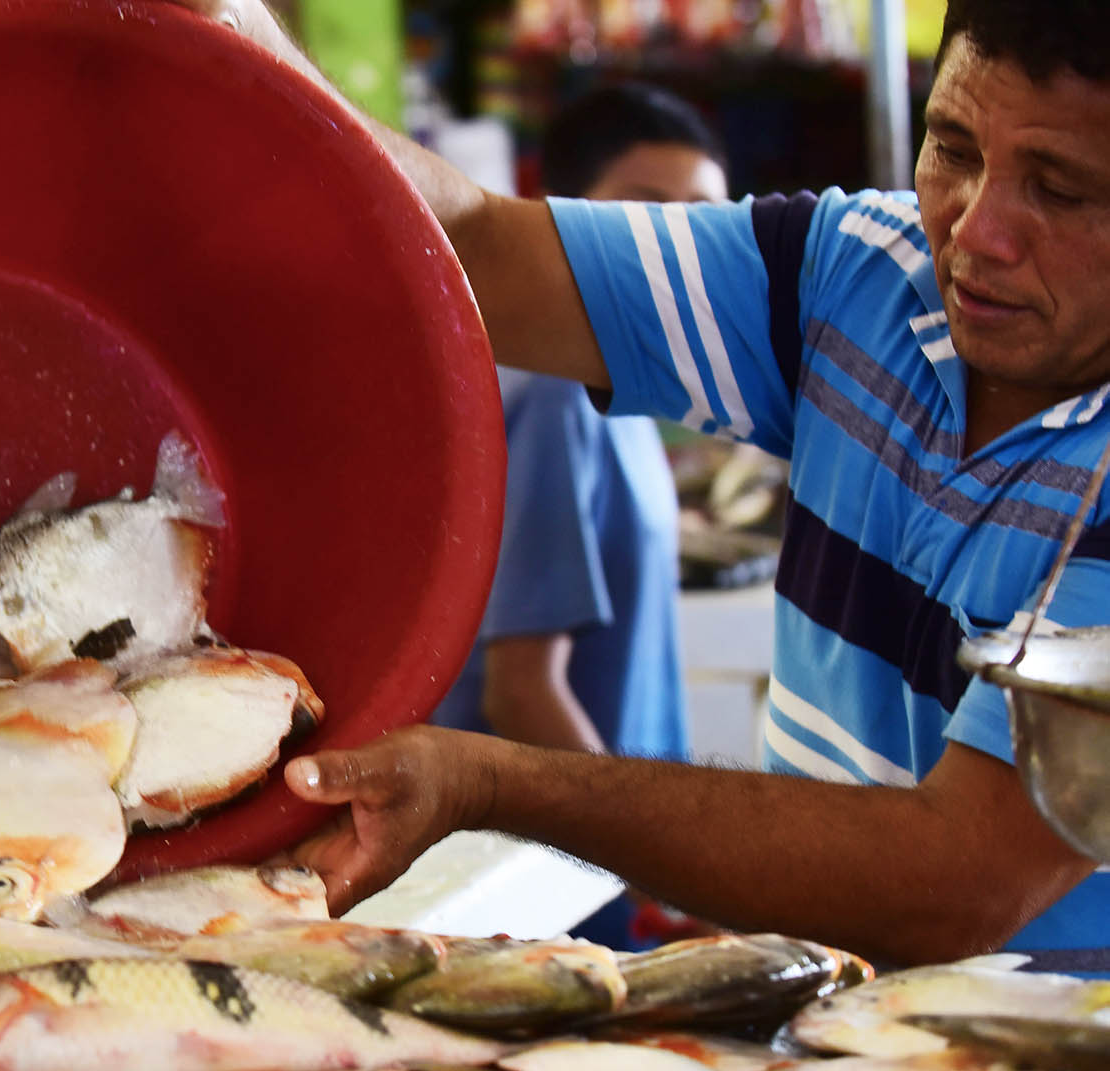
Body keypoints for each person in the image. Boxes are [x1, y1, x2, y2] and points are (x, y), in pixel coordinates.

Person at [168, 0, 1110, 969]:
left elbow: (950, 882)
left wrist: (492, 782)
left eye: (1059, 189)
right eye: (951, 149)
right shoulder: (856, 271)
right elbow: (471, 244)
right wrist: (236, 31)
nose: (976, 232)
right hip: (828, 1032)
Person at [431, 83, 725, 950]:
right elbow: (522, 688)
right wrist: (670, 870)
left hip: (609, 866)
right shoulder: (557, 393)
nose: (674, 244)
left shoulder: (623, 385)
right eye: (644, 209)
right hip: (560, 888)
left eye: (702, 218)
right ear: (555, 217)